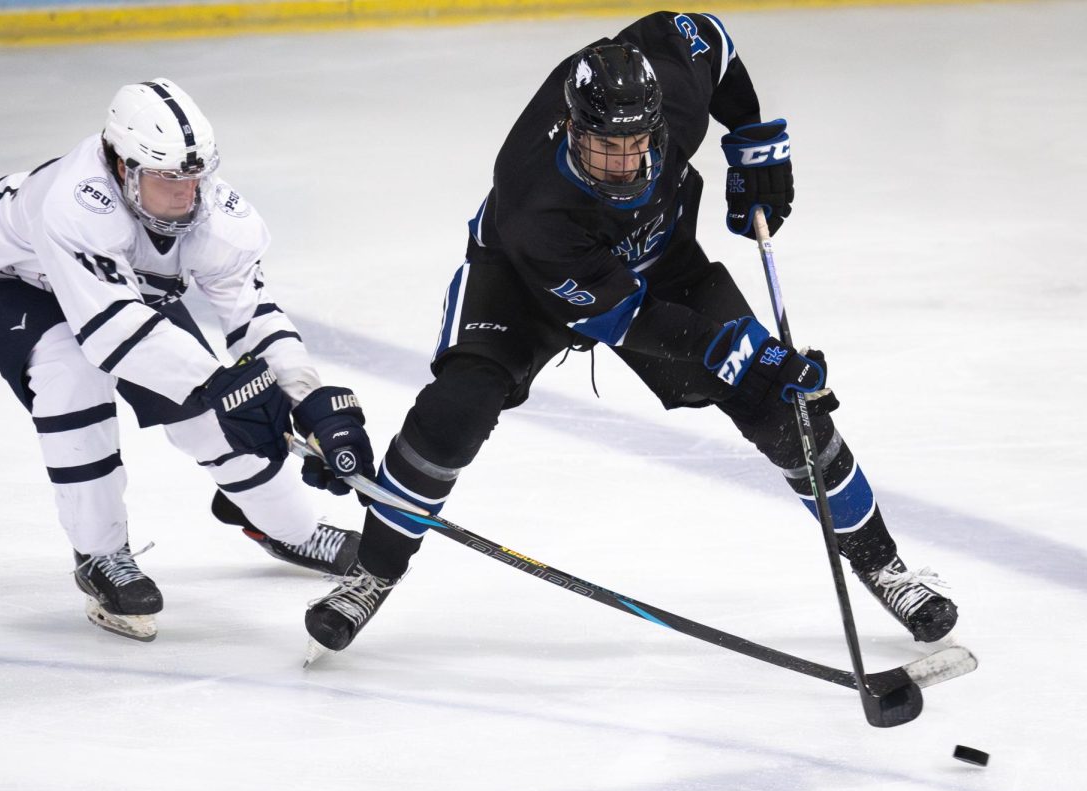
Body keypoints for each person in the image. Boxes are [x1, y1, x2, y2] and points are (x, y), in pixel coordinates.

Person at [303, 13, 958, 661]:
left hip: (659, 260)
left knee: (778, 406)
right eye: (603, 148)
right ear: (571, 129)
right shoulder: (536, 204)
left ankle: (886, 566)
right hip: (524, 281)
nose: (623, 163)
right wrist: (746, 353)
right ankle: (376, 570)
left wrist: (752, 137)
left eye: (636, 145)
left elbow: (713, 44)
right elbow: (630, 320)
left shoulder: (668, 88)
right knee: (458, 407)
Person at [0, 78, 376, 642]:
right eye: (168, 179)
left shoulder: (211, 210)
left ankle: (286, 527)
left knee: (212, 415)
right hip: (15, 286)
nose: (188, 195)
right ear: (123, 166)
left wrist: (308, 400)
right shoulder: (75, 205)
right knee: (72, 378)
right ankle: (100, 555)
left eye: (195, 177)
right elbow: (109, 334)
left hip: (118, 288)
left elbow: (252, 315)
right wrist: (226, 384)